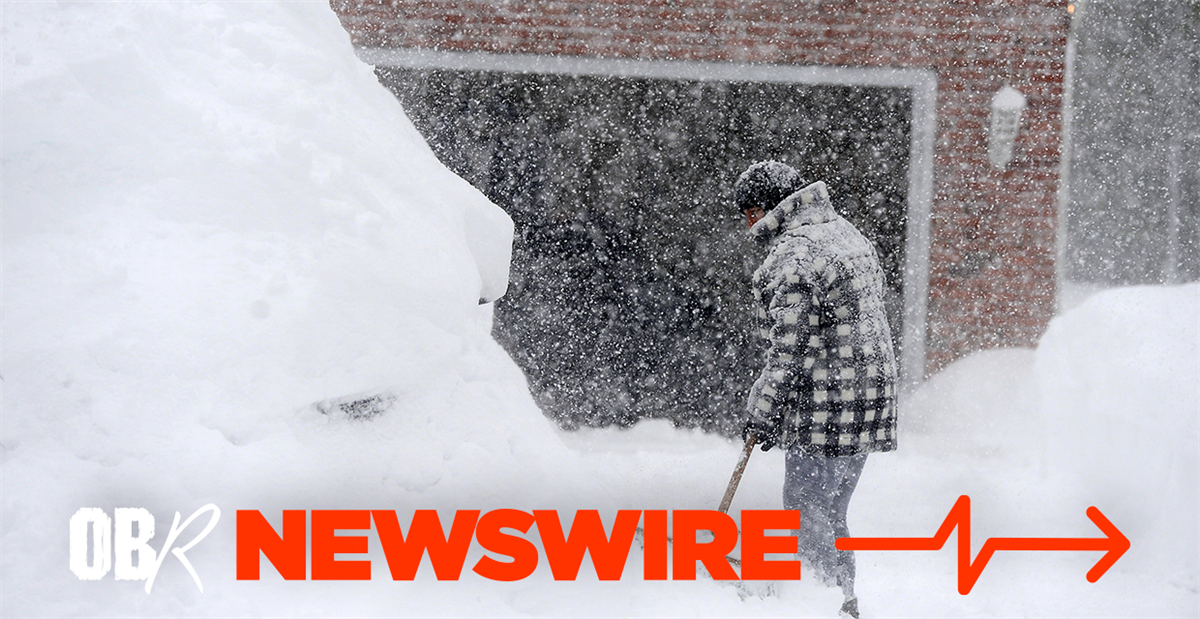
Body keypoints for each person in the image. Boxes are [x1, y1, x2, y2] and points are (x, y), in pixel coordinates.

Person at [735, 160, 898, 619]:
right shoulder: (846, 234)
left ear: (763, 209)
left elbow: (790, 348)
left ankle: (822, 605)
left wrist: (762, 410)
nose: (749, 224)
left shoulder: (795, 254)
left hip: (828, 402)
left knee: (807, 509)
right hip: (869, 396)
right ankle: (843, 600)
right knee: (832, 510)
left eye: (749, 212)